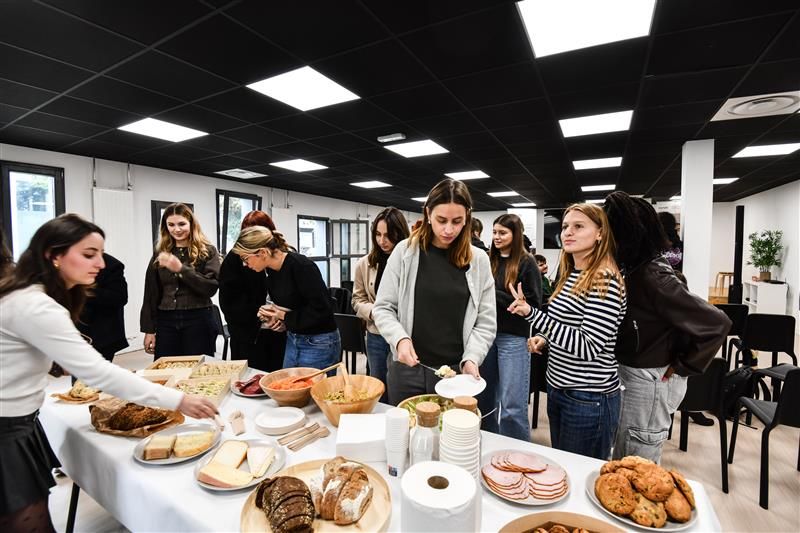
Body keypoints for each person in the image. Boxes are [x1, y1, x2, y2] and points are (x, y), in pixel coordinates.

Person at [0, 214, 216, 532]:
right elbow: (101, 374)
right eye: (89, 254)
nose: (100, 264)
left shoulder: (32, 297)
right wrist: (179, 400)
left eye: (100, 254)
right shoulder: (37, 305)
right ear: (54, 255)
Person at [603, 192, 731, 462]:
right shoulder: (635, 268)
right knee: (625, 454)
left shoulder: (652, 275)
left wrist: (684, 366)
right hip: (635, 374)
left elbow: (716, 323)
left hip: (649, 379)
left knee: (638, 459)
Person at [508, 203, 625, 460]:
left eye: (578, 226)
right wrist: (545, 339)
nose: (567, 233)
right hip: (561, 388)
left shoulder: (603, 278)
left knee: (578, 475)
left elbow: (588, 346)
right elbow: (566, 323)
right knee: (564, 465)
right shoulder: (573, 273)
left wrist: (531, 314)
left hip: (588, 397)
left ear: (600, 233)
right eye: (564, 227)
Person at [373, 178, 496, 404]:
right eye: (441, 220)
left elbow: (486, 322)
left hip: (456, 372)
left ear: (467, 217)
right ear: (428, 214)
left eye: (457, 221)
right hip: (407, 368)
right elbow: (383, 307)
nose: (448, 229)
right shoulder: (405, 252)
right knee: (407, 432)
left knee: (451, 435)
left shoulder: (478, 260)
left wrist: (472, 357)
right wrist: (400, 340)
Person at [231, 226, 341, 371]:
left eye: (246, 258)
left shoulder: (301, 266)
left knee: (312, 392)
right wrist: (279, 321)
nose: (245, 264)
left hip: (319, 342)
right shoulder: (270, 271)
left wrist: (283, 316)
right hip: (294, 338)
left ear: (263, 252)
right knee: (287, 390)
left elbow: (323, 311)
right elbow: (292, 307)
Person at [479, 214, 542, 441]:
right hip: (486, 335)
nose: (496, 237)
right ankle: (489, 446)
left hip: (513, 339)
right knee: (485, 399)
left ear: (515, 235)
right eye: (494, 232)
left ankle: (517, 456)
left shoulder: (527, 263)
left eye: (502, 233)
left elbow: (533, 305)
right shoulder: (487, 260)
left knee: (512, 405)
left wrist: (494, 295)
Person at [140, 203, 220, 357]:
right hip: (166, 321)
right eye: (171, 224)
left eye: (182, 224)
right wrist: (149, 330)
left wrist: (181, 269)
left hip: (198, 318)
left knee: (198, 370)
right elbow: (151, 293)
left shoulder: (208, 251)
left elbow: (210, 288)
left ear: (192, 224)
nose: (176, 229)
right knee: (166, 368)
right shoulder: (160, 253)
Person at [351, 207, 410, 403]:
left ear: (400, 234)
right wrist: (376, 313)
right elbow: (357, 300)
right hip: (376, 335)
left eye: (388, 235)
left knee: (402, 387)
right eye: (378, 234)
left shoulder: (410, 262)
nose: (382, 241)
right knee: (378, 385)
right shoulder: (364, 264)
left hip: (403, 336)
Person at [218, 211, 286, 371]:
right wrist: (260, 316)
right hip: (248, 334)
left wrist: (283, 317)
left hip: (281, 331)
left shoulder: (283, 255)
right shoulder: (234, 260)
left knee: (279, 380)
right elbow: (229, 302)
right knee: (251, 381)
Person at [77, 252, 128, 361]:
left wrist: (86, 291)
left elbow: (120, 297)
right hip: (75, 335)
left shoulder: (111, 264)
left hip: (101, 336)